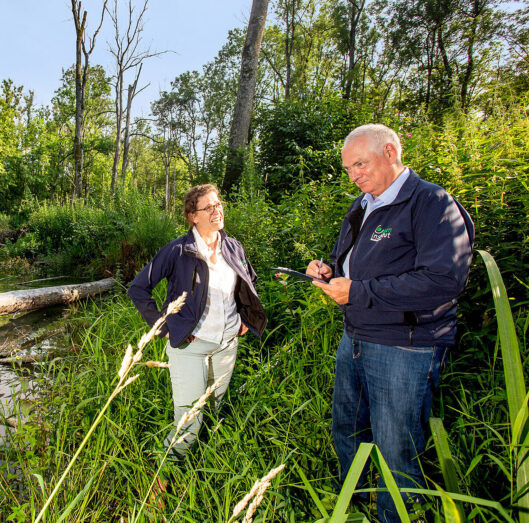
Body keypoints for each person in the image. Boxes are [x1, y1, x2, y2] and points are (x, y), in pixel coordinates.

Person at [305, 124, 474, 522]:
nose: (354, 175)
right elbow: (353, 264)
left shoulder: (431, 203)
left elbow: (444, 280)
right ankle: (357, 508)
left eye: (360, 164)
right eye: (348, 168)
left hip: (405, 347)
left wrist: (358, 292)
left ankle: (397, 515)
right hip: (356, 338)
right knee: (349, 431)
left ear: (391, 151)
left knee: (397, 448)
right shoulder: (363, 206)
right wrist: (329, 271)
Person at [129, 184, 267, 457]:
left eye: (219, 204)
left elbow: (250, 281)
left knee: (214, 408)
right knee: (189, 421)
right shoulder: (178, 251)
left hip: (227, 344)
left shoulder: (233, 247)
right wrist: (164, 327)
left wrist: (245, 320)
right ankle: (164, 475)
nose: (217, 211)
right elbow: (138, 288)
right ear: (193, 216)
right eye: (209, 207)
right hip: (190, 346)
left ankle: (200, 468)